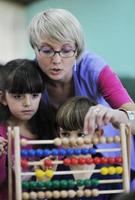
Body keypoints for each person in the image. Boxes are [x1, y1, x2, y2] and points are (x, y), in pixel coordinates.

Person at [27, 8, 135, 189]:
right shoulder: (29, 75)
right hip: (63, 163)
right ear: (34, 49)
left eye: (66, 50)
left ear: (77, 50)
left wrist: (118, 116)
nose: (56, 60)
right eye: (46, 50)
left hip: (109, 161)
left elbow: (134, 117)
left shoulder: (93, 67)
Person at [0, 58, 55, 199]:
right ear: (3, 98)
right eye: (18, 96)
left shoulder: (49, 129)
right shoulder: (1, 134)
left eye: (35, 95)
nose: (28, 103)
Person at [54, 96, 123, 200]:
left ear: (97, 135)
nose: (73, 141)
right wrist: (42, 184)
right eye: (65, 134)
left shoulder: (110, 176)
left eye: (81, 134)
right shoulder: (52, 173)